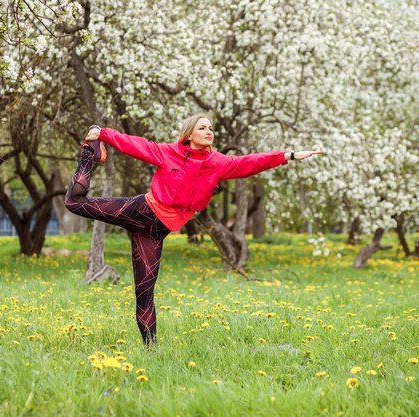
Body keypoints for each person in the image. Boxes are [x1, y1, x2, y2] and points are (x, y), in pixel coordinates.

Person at [65, 114, 322, 345]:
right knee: (74, 201)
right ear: (189, 134)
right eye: (203, 127)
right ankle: (90, 150)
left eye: (211, 128)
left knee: (144, 294)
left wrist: (287, 156)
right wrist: (105, 134)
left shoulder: (218, 163)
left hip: (154, 232)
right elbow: (138, 145)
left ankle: (152, 354)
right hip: (141, 210)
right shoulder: (169, 152)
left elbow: (250, 163)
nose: (209, 131)